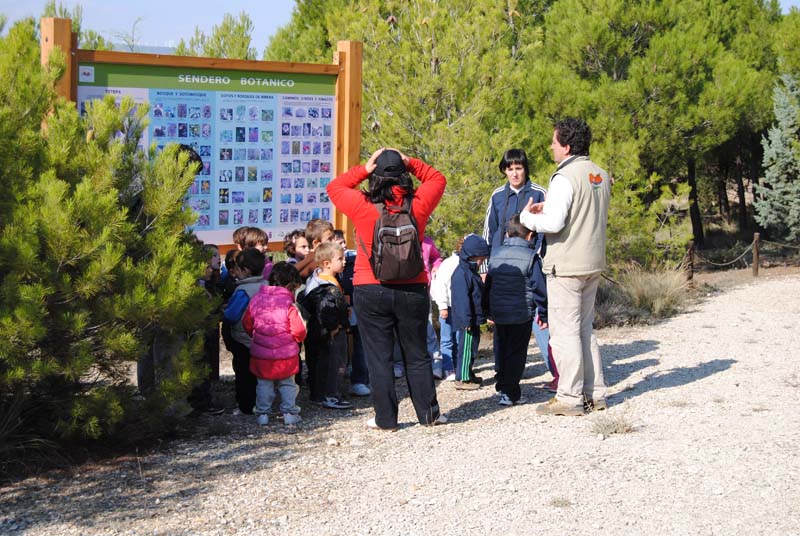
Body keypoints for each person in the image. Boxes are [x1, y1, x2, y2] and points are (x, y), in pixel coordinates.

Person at [327, 148, 447, 430]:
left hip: (370, 287)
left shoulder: (362, 205)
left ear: (375, 175)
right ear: (403, 174)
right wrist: (411, 162)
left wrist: (363, 169)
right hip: (413, 287)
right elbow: (437, 179)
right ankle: (429, 415)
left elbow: (335, 187)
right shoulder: (418, 204)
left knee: (379, 358)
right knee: (417, 355)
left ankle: (386, 420)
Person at [520, 118, 611, 416]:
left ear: (567, 146)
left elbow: (555, 223)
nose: (551, 146)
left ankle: (570, 397)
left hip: (567, 265)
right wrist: (548, 208)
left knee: (564, 333)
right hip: (592, 261)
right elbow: (582, 213)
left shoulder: (564, 177)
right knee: (585, 330)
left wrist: (527, 218)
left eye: (554, 142)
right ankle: (595, 393)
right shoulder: (600, 174)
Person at [483, 215, 548, 406]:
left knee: (501, 349)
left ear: (507, 234)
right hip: (521, 313)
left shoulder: (495, 254)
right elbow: (539, 288)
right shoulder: (531, 257)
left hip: (499, 312)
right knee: (516, 352)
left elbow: (488, 285)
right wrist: (544, 312)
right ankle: (511, 393)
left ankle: (503, 386)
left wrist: (486, 309)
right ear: (529, 236)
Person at [243, 262, 307, 426]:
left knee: (263, 384)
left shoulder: (256, 299)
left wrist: (257, 337)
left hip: (261, 354)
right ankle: (289, 412)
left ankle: (263, 414)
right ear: (291, 286)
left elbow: (247, 323)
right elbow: (299, 330)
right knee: (288, 384)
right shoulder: (288, 304)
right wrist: (296, 340)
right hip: (286, 354)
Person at [301, 241, 352, 409]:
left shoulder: (315, 279)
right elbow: (326, 308)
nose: (344, 261)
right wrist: (334, 327)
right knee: (334, 364)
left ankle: (319, 394)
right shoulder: (325, 286)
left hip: (319, 330)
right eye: (340, 259)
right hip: (330, 332)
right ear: (327, 263)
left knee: (323, 363)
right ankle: (330, 395)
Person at [222, 248, 266, 415]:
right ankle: (262, 403)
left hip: (243, 338)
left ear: (245, 270)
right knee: (260, 373)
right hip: (262, 335)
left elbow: (232, 315)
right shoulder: (266, 285)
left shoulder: (243, 291)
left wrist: (224, 310)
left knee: (244, 374)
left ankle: (246, 406)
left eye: (238, 269)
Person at [449, 234, 490, 390]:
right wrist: (466, 320)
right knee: (466, 349)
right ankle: (462, 378)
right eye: (481, 259)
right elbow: (461, 300)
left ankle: (469, 373)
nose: (482, 263)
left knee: (472, 348)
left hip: (473, 318)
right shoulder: (462, 274)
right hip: (467, 321)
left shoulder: (471, 272)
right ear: (472, 256)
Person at [430, 236, 466, 381]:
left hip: (460, 308)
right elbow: (440, 286)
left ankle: (458, 366)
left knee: (458, 338)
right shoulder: (449, 264)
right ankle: (447, 367)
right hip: (448, 307)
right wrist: (443, 306)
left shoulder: (467, 264)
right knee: (446, 339)